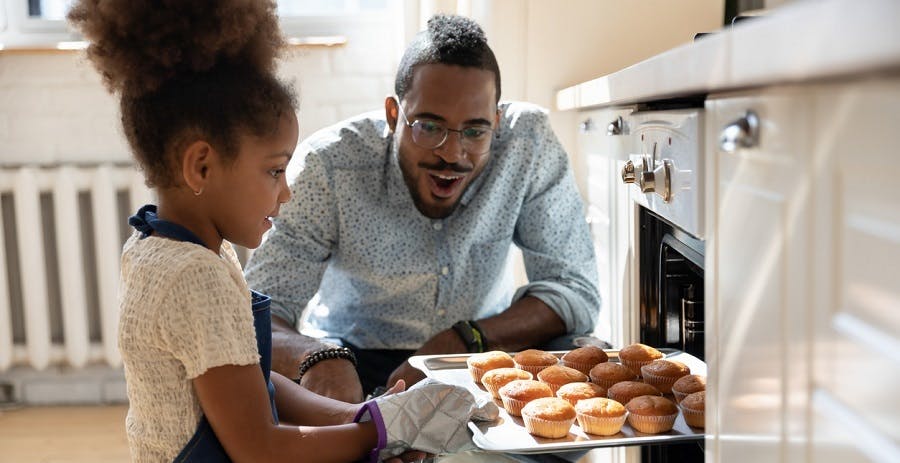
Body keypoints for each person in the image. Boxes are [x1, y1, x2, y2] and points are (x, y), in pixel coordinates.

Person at [67, 2, 495, 462]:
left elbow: (246, 378)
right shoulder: (196, 276)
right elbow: (260, 448)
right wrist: (381, 432)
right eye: (275, 171)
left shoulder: (161, 245)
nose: (287, 193)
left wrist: (362, 416)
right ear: (201, 166)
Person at [245, 14, 602, 404]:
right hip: (349, 357)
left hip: (482, 348)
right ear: (393, 115)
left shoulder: (528, 143)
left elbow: (574, 289)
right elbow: (256, 309)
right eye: (429, 127)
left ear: (497, 122)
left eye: (475, 131)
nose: (452, 153)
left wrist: (463, 338)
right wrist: (316, 358)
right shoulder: (328, 165)